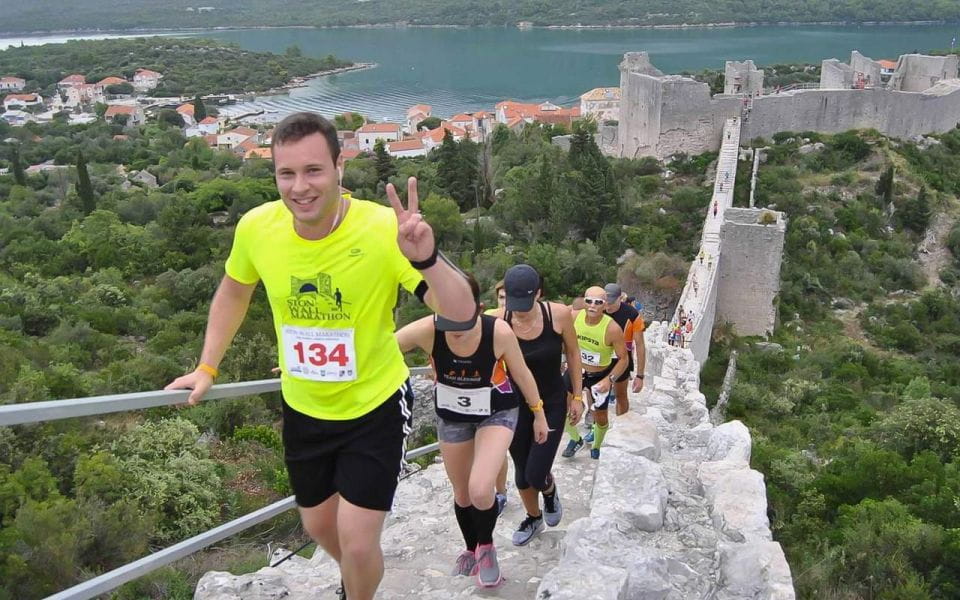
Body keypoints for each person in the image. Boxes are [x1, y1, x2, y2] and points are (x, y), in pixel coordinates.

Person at [165, 112, 474, 600]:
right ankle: (359, 578)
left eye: (313, 171)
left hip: (374, 406)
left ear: (339, 170)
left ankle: (358, 590)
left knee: (355, 541)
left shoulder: (380, 229)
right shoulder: (257, 228)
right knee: (317, 527)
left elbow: (459, 314)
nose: (299, 187)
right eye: (286, 174)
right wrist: (207, 367)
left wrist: (427, 259)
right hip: (304, 407)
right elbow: (233, 293)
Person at [396, 275, 548, 588]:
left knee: (481, 489)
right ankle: (471, 547)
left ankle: (488, 548)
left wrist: (539, 414)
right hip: (453, 417)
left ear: (478, 308)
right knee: (463, 493)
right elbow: (378, 349)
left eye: (461, 316)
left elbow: (522, 374)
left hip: (497, 412)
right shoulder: (428, 329)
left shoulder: (498, 332)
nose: (453, 326)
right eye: (445, 314)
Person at [491, 264, 583, 546]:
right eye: (512, 301)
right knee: (521, 473)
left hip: (552, 400)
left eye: (525, 303)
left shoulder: (558, 315)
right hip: (513, 404)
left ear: (539, 293)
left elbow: (573, 352)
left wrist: (577, 396)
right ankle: (533, 517)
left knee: (536, 472)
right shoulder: (497, 319)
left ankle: (550, 490)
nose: (518, 310)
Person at [561, 286, 628, 460]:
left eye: (598, 302)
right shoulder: (574, 317)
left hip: (600, 376)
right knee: (558, 408)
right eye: (589, 301)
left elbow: (623, 359)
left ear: (605, 305)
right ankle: (576, 439)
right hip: (576, 370)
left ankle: (596, 446)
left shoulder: (612, 329)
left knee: (601, 417)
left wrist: (610, 380)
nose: (592, 305)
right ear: (584, 302)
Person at [483, 278, 510, 515]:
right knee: (495, 448)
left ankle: (502, 491)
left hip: (518, 391)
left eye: (509, 297)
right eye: (502, 298)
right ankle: (498, 493)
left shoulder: (528, 321)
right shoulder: (490, 318)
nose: (505, 303)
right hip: (495, 389)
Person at [601, 283, 646, 416]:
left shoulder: (632, 315)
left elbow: (640, 344)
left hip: (621, 360)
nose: (607, 306)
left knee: (621, 395)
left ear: (620, 298)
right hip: (601, 358)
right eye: (605, 302)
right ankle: (596, 427)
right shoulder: (598, 308)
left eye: (611, 302)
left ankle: (621, 423)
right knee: (598, 395)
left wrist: (640, 376)